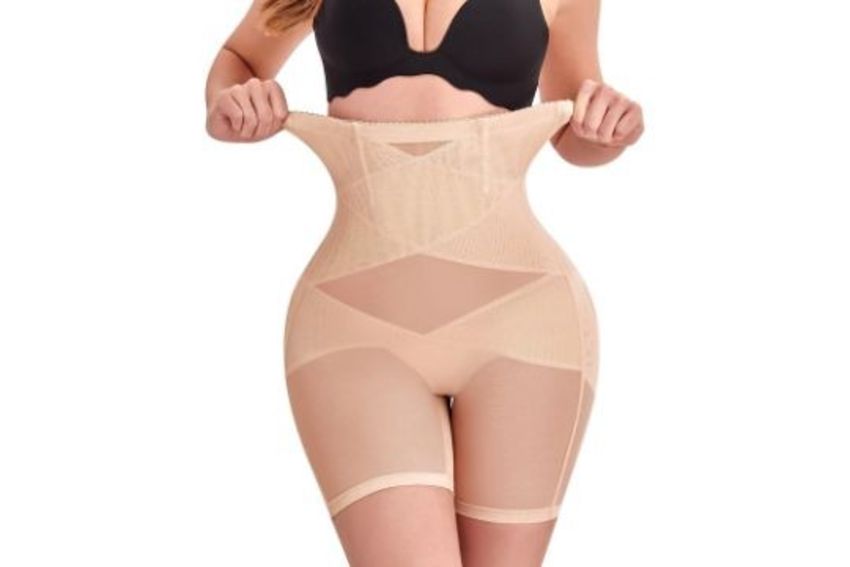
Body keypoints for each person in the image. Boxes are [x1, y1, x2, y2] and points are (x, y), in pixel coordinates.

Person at [204, 0, 644, 565]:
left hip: (522, 319)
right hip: (354, 324)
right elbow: (239, 58)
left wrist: (609, 130)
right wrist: (232, 100)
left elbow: (576, 132)